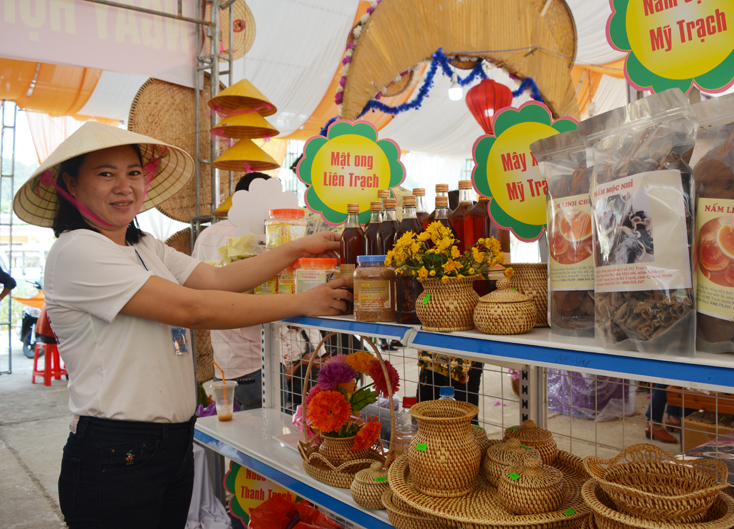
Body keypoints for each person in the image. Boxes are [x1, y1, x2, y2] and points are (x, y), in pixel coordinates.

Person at [12, 122, 351, 529]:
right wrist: (301, 301)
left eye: (133, 172)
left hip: (169, 445)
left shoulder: (143, 246)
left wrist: (296, 248)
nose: (124, 186)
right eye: (106, 173)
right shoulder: (78, 250)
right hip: (116, 452)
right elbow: (192, 309)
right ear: (70, 183)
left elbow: (217, 279)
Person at [192, 171, 270, 410]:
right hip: (260, 358)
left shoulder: (207, 234)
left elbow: (195, 284)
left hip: (224, 358)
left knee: (236, 434)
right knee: (266, 435)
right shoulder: (260, 236)